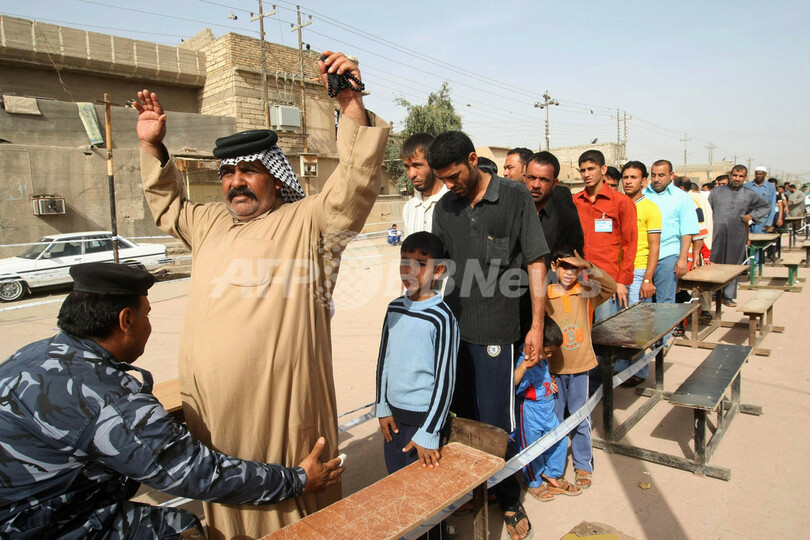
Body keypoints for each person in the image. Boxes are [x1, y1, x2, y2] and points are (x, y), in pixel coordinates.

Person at [134, 50, 390, 538]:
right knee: (227, 506)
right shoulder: (208, 222)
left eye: (249, 170)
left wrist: (349, 104)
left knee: (293, 506)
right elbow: (167, 206)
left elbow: (355, 181)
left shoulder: (309, 222)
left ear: (274, 175)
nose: (236, 182)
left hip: (280, 410)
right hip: (213, 415)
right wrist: (152, 147)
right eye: (227, 173)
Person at [0, 263, 344, 538]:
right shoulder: (108, 397)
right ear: (127, 320)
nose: (149, 323)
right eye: (147, 314)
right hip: (37, 524)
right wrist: (298, 480)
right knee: (179, 530)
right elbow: (195, 472)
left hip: (25, 506)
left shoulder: (33, 355)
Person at [429, 131, 548, 540]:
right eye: (443, 179)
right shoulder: (445, 207)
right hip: (456, 333)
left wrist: (536, 326)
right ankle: (473, 490)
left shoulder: (515, 197)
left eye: (454, 176)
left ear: (472, 159)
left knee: (496, 424)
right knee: (462, 421)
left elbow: (536, 262)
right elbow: (437, 268)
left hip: (498, 329)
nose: (449, 185)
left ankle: (510, 499)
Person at [374, 232, 458, 540]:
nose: (409, 270)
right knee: (399, 490)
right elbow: (384, 360)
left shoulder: (442, 318)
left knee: (426, 497)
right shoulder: (394, 309)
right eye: (404, 262)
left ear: (438, 270)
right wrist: (382, 407)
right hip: (393, 421)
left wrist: (429, 432)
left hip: (423, 422)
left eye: (420, 263)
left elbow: (446, 379)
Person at [546, 248, 617, 491]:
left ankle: (583, 463)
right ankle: (553, 468)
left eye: (575, 268)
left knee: (580, 417)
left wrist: (588, 265)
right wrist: (546, 371)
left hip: (581, 366)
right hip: (555, 369)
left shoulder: (586, 292)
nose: (569, 272)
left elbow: (610, 286)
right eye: (565, 266)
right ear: (554, 266)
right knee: (555, 420)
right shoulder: (545, 296)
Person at [515, 315, 581, 502]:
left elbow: (542, 376)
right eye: (548, 351)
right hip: (531, 412)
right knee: (531, 447)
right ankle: (533, 481)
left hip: (548, 409)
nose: (550, 356)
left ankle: (552, 473)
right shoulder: (525, 361)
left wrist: (548, 382)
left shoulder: (542, 359)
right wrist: (524, 366)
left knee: (560, 440)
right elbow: (514, 383)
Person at [572, 149, 637, 322]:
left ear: (603, 169)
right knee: (579, 328)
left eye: (591, 169)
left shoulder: (622, 202)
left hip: (607, 279)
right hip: (579, 277)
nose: (586, 174)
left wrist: (621, 281)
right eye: (583, 170)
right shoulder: (575, 201)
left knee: (606, 328)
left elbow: (630, 244)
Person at [614, 161, 661, 386]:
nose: (628, 181)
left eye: (633, 177)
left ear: (644, 182)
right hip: (617, 272)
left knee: (636, 324)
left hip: (639, 271)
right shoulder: (617, 204)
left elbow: (655, 247)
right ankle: (621, 369)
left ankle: (639, 371)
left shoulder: (650, 208)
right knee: (619, 324)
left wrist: (648, 278)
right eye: (625, 177)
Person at [644, 160, 700, 329]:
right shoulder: (643, 195)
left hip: (667, 254)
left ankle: (663, 338)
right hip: (644, 256)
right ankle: (646, 336)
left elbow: (687, 231)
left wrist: (682, 258)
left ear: (671, 175)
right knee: (644, 301)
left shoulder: (682, 198)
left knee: (665, 302)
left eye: (661, 175)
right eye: (653, 175)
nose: (656, 179)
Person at [709, 165, 771, 307]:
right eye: (735, 175)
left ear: (745, 178)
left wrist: (751, 215)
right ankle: (712, 292)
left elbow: (766, 206)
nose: (737, 179)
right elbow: (708, 210)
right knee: (714, 262)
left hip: (737, 233)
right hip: (716, 233)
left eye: (741, 176)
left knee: (733, 265)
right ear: (730, 175)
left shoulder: (749, 194)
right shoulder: (717, 192)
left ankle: (728, 296)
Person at [523, 151, 585, 267]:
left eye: (544, 180)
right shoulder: (513, 210)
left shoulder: (565, 217)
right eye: (531, 178)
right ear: (524, 177)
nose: (536, 185)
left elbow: (571, 260)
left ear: (555, 183)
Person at [401, 133, 448, 237]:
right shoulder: (409, 208)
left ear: (433, 163)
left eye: (417, 165)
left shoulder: (454, 204)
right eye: (407, 167)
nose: (411, 174)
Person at [745, 166, 777, 235]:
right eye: (757, 174)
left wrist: (769, 222)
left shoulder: (770, 187)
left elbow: (772, 205)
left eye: (760, 174)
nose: (758, 176)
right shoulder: (747, 186)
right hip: (748, 220)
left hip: (762, 222)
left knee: (759, 240)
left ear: (765, 174)